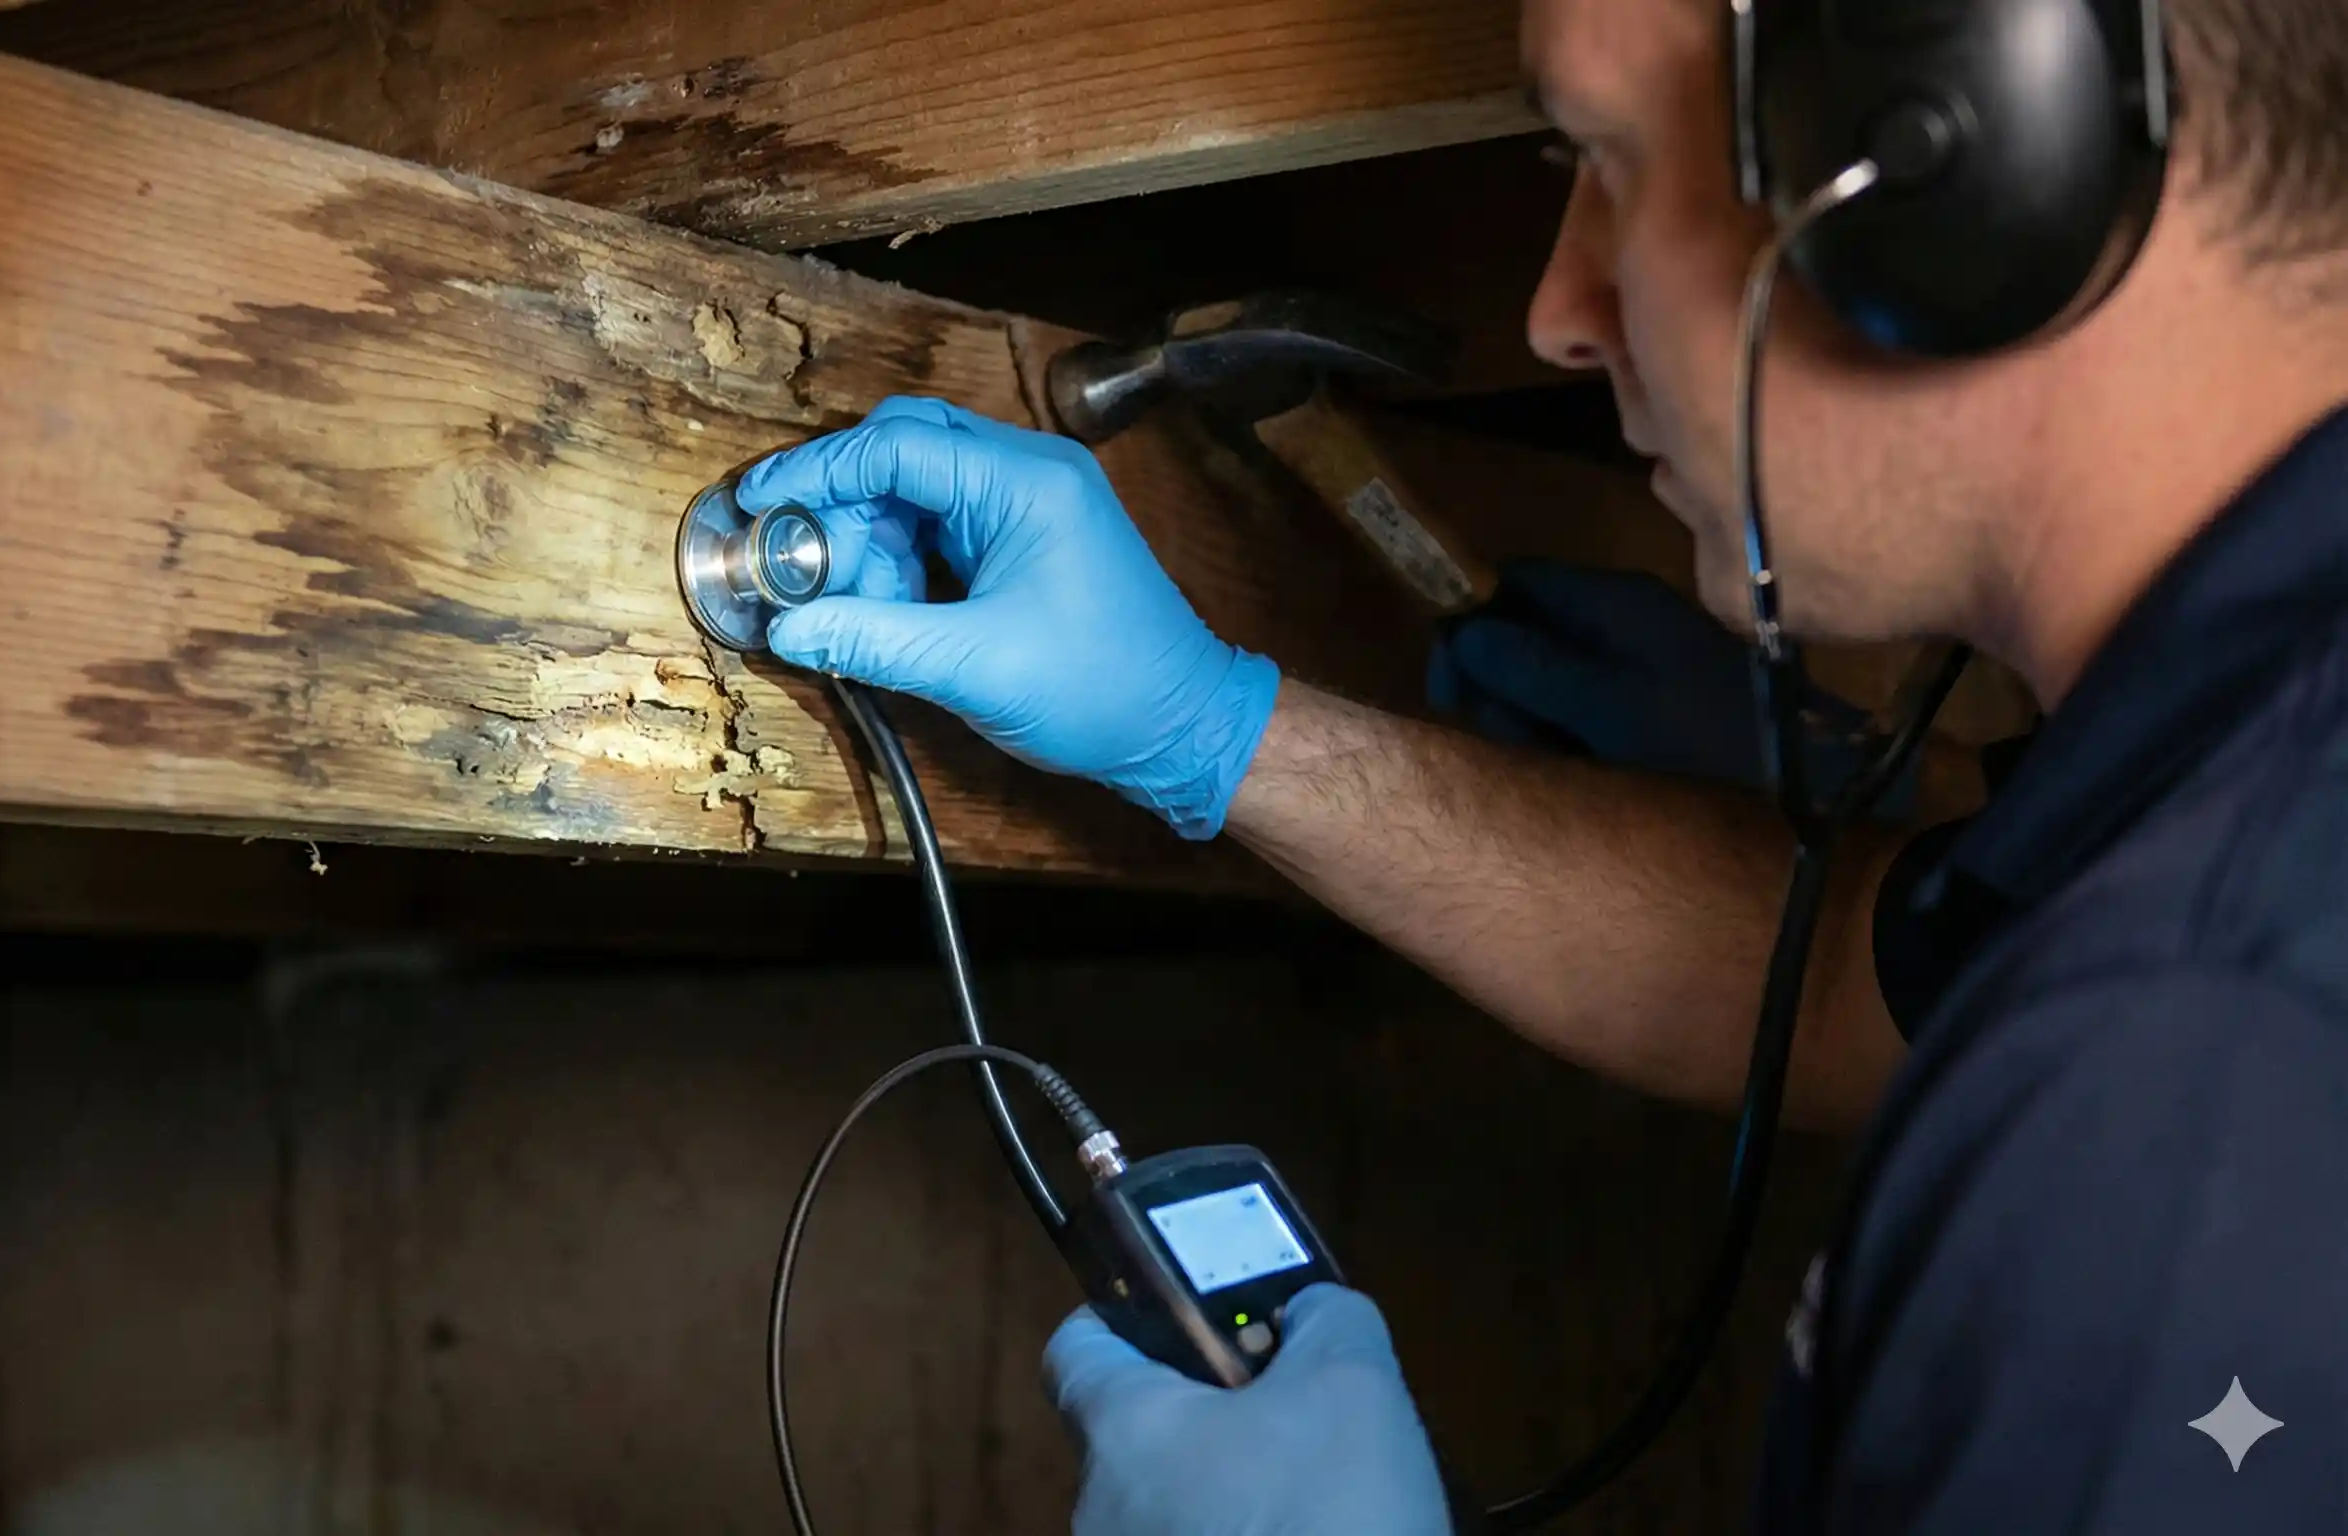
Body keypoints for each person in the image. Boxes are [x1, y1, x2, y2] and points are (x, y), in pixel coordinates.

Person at [740, 0, 2348, 1529]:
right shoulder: (2223, 795)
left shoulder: (2195, 1060)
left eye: (1603, 159)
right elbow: (1863, 990)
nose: (1556, 315)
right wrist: (1219, 731)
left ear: (1964, 150)